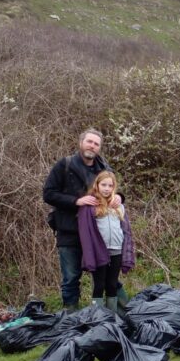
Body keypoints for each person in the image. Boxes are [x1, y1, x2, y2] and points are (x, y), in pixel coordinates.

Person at [43, 129, 123, 310]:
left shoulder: (104, 168)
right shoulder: (64, 165)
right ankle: (70, 315)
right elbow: (48, 194)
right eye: (89, 142)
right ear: (81, 143)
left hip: (98, 234)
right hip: (69, 231)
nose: (92, 146)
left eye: (96, 144)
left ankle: (115, 311)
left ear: (99, 148)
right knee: (71, 277)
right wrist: (76, 201)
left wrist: (120, 197)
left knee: (107, 276)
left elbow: (113, 191)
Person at [77, 172, 135, 314]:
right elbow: (86, 231)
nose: (107, 188)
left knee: (112, 284)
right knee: (99, 284)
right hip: (99, 252)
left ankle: (112, 317)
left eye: (110, 185)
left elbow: (125, 230)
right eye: (104, 185)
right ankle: (97, 316)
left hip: (116, 250)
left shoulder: (118, 206)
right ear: (97, 185)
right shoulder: (91, 206)